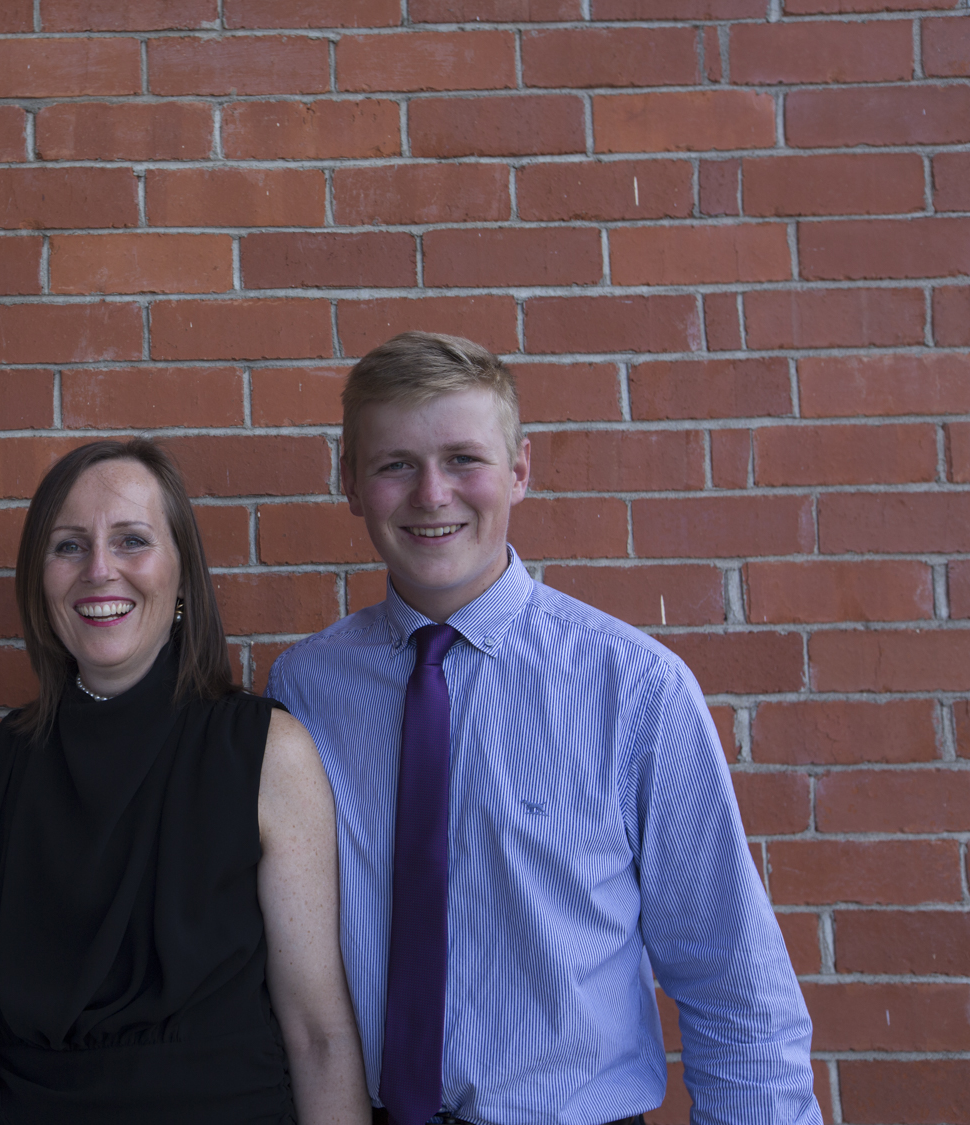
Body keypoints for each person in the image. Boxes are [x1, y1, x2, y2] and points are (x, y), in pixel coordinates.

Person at [267, 332, 820, 1125]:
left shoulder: (634, 688)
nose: (432, 494)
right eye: (396, 464)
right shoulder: (304, 690)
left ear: (519, 470)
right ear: (349, 481)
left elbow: (733, 981)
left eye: (464, 459)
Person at [0, 438, 370, 1125]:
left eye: (132, 540)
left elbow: (319, 1032)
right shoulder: (4, 760)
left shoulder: (267, 752)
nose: (99, 570)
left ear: (182, 575)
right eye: (69, 546)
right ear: (39, 579)